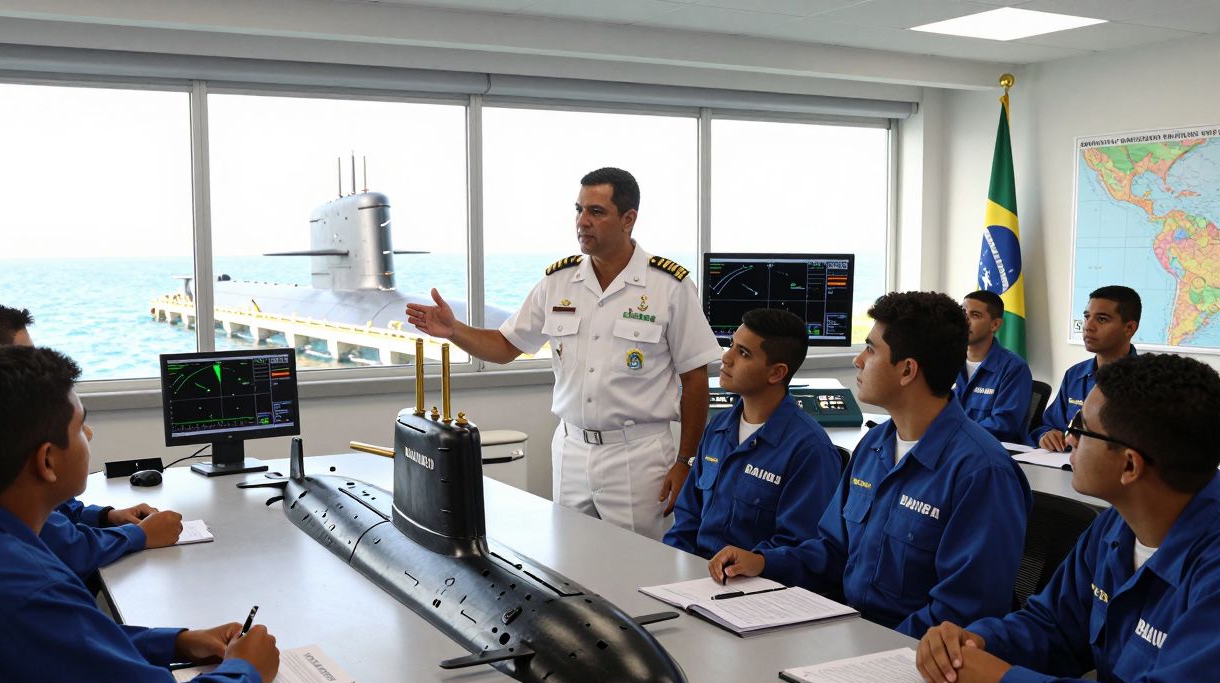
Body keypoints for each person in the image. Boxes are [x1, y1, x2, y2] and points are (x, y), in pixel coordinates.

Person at [0, 345, 280, 683]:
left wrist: (177, 643)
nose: (89, 434)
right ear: (47, 461)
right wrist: (245, 671)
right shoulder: (20, 590)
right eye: (80, 426)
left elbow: (65, 646)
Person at [405, 167, 721, 539]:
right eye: (578, 210)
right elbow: (507, 346)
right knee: (571, 565)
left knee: (642, 570)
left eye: (596, 212)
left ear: (628, 219)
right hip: (571, 451)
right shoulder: (558, 282)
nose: (582, 222)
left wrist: (686, 461)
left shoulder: (669, 286)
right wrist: (454, 330)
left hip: (638, 455)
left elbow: (695, 378)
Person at [916, 354, 1220, 683]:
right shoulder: (1117, 524)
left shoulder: (1211, 570)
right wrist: (977, 642)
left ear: (1130, 466)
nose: (1069, 436)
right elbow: (1054, 626)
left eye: (1081, 426)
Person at [707, 291, 1032, 637]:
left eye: (871, 349)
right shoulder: (874, 446)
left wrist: (872, 644)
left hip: (911, 651)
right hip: (851, 631)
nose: (858, 361)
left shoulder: (981, 472)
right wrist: (764, 562)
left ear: (907, 370)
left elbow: (964, 610)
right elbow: (833, 550)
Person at [0, 302, 182, 579]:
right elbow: (66, 548)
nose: (39, 368)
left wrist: (105, 517)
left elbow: (51, 517)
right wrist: (138, 535)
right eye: (24, 359)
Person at [664, 308, 842, 558]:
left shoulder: (809, 450)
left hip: (755, 584)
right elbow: (687, 519)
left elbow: (803, 547)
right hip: (698, 576)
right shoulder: (719, 428)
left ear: (776, 373)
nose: (727, 358)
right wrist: (666, 565)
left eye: (744, 353)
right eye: (731, 345)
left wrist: (757, 562)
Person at [1030, 285, 1139, 450]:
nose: (1088, 326)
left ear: (1129, 328)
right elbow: (1047, 425)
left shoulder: (1146, 381)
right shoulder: (1075, 375)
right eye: (1087, 317)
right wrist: (1046, 434)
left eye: (1102, 319)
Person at [952, 290, 1033, 443]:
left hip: (991, 453)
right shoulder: (948, 360)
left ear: (995, 324)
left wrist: (953, 434)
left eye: (975, 315)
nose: (965, 321)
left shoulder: (1013, 368)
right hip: (951, 448)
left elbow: (1003, 426)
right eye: (963, 313)